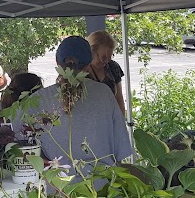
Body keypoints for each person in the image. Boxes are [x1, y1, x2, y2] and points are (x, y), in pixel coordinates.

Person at [15, 36, 132, 189]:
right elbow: (121, 150)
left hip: (58, 188)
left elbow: (17, 143)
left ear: (57, 62)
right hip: (102, 187)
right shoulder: (104, 94)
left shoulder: (37, 100)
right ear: (87, 66)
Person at [85, 30, 126, 115]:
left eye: (110, 57)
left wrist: (121, 122)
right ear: (92, 51)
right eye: (103, 58)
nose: (106, 61)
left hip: (110, 118)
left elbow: (119, 99)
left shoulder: (113, 67)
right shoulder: (81, 70)